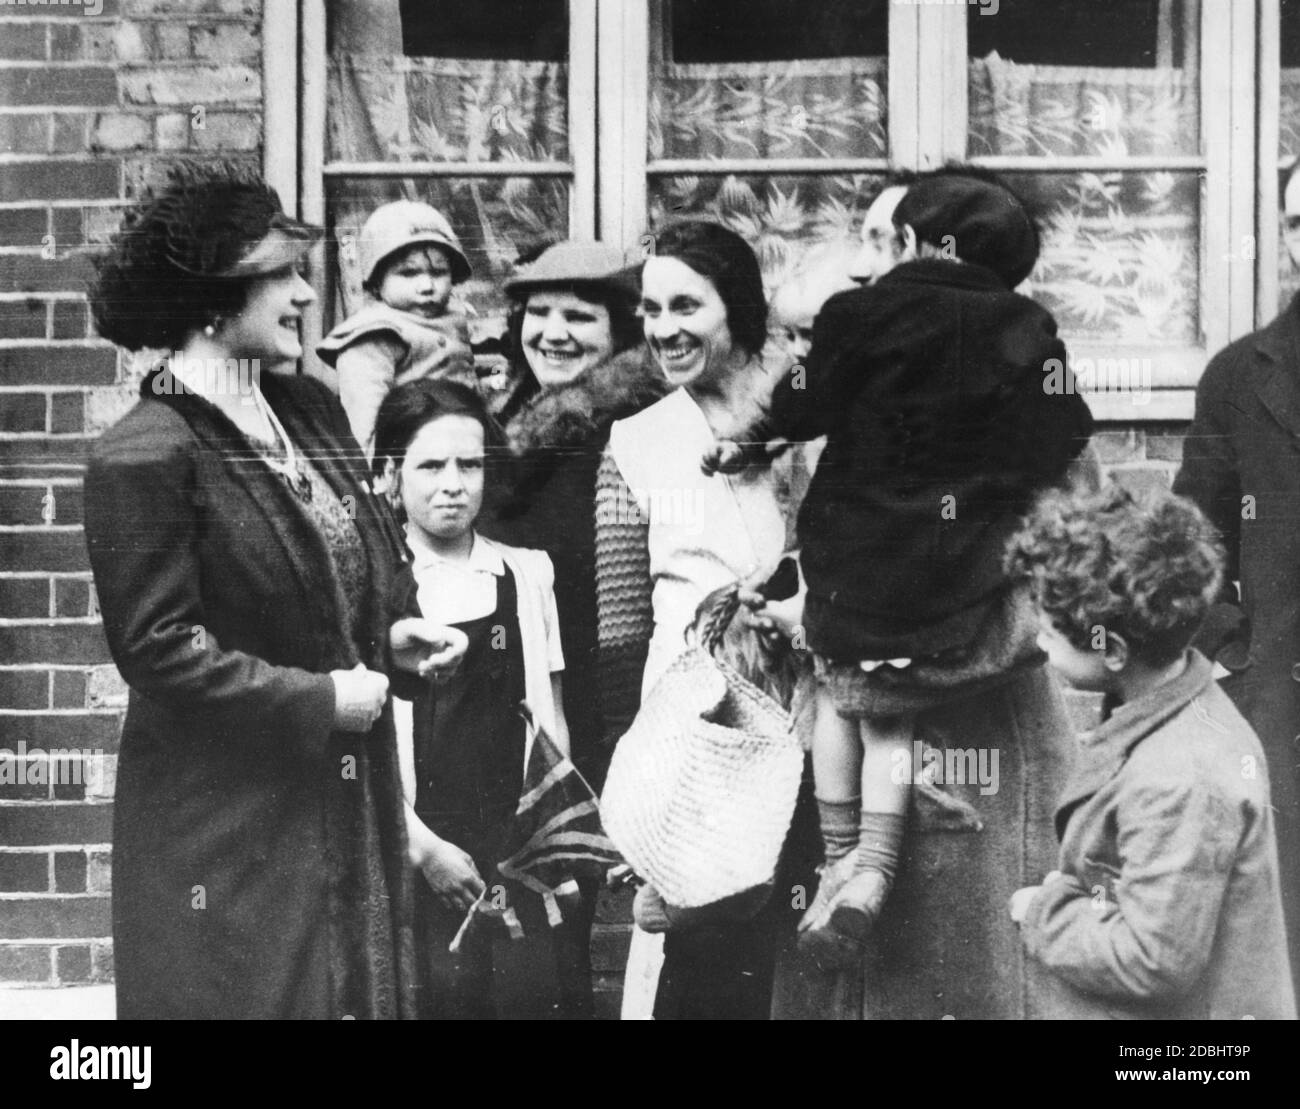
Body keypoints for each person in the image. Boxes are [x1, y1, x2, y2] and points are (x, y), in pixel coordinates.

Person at [84, 173, 467, 1019]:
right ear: (215, 297)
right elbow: (158, 649)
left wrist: (390, 634)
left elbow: (340, 570)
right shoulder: (143, 454)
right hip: (227, 828)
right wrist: (324, 697)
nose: (304, 294)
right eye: (283, 275)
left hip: (340, 805)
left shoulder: (307, 410)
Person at [707, 171, 1095, 970]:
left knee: (848, 698)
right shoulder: (1025, 328)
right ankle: (870, 867)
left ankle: (844, 859)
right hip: (958, 571)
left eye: (882, 241)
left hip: (862, 569)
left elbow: (801, 398)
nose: (864, 265)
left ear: (913, 244)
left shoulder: (856, 318)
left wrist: (752, 436)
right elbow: (1059, 425)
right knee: (883, 706)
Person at [599, 220, 813, 1020]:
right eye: (650, 309)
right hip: (702, 753)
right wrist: (638, 782)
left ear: (740, 306)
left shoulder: (811, 413)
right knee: (707, 966)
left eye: (685, 304)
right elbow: (619, 637)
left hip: (816, 721)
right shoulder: (637, 442)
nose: (662, 328)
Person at [1005, 483, 1296, 1020]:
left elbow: (1152, 960)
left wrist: (1043, 911)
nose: (1038, 644)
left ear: (1110, 650)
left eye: (1049, 634)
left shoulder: (1181, 775)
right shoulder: (1172, 706)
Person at [373, 379, 594, 1019]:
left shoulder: (527, 574)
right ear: (390, 475)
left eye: (469, 465)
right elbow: (358, 745)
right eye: (430, 465)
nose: (453, 483)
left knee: (529, 999)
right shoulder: (377, 584)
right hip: (422, 849)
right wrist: (422, 848)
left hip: (515, 846)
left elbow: (552, 722)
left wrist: (557, 844)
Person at [1173, 156, 1300, 996]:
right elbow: (1193, 538)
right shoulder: (1241, 374)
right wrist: (1232, 652)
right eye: (1298, 221)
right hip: (1282, 716)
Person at [482, 241, 668, 789]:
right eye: (538, 313)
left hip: (598, 699)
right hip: (514, 685)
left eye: (579, 317)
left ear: (621, 333)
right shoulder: (508, 418)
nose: (552, 333)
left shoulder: (632, 431)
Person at [318, 199, 477, 458]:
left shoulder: (452, 321)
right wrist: (378, 478)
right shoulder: (375, 335)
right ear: (377, 281)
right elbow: (364, 424)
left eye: (438, 272)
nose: (427, 286)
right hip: (409, 460)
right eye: (408, 273)